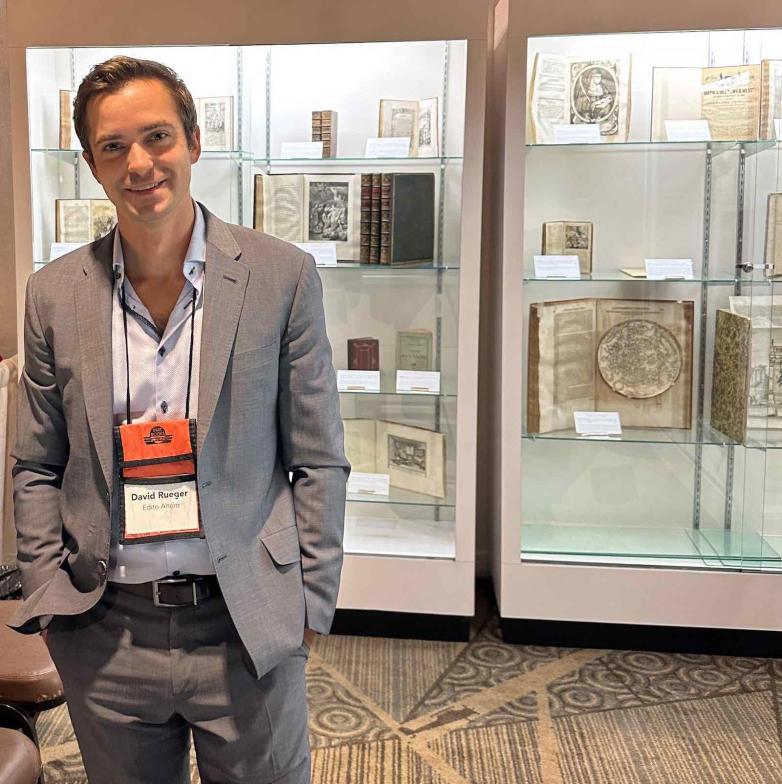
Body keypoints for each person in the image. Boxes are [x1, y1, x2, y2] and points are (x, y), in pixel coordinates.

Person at [10, 55, 349, 784]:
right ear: (93, 166)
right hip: (105, 630)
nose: (139, 163)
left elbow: (318, 457)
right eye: (113, 147)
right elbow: (34, 461)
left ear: (193, 141)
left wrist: (309, 601)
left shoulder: (281, 277)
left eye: (157, 137)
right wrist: (48, 594)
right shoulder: (53, 295)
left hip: (245, 622)